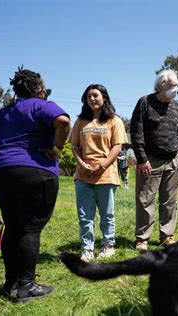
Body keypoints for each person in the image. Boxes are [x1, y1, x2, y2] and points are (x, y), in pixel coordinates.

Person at [0, 68, 70, 301]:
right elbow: (63, 121)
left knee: (13, 225)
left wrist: (1, 150)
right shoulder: (41, 105)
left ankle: (10, 284)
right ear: (39, 89)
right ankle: (26, 286)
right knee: (30, 228)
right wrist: (57, 148)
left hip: (1, 170)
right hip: (34, 170)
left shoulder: (5, 111)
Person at [71, 84, 127, 263]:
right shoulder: (80, 121)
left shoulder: (114, 120)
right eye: (88, 97)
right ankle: (87, 248)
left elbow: (117, 147)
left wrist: (102, 166)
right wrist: (81, 163)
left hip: (106, 174)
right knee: (85, 214)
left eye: (95, 95)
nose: (92, 99)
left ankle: (108, 245)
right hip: (83, 176)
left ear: (104, 97)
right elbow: (75, 146)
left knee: (106, 214)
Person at [130, 69, 178, 252]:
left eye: (176, 86)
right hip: (150, 160)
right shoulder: (145, 102)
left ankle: (167, 235)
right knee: (145, 199)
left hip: (173, 160)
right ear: (161, 85)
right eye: (172, 86)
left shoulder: (175, 106)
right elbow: (136, 132)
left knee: (170, 201)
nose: (175, 89)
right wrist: (142, 159)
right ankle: (142, 238)